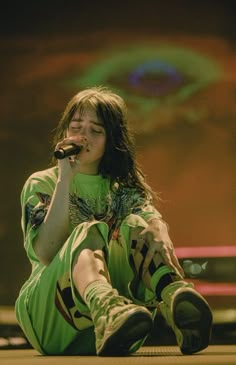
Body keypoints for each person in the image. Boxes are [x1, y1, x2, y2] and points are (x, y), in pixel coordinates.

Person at [15, 86, 212, 356]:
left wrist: (158, 226)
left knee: (140, 226)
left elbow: (151, 229)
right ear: (64, 134)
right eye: (76, 127)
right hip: (51, 316)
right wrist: (65, 179)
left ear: (112, 140)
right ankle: (105, 306)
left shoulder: (123, 190)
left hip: (122, 327)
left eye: (96, 130)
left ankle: (173, 297)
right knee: (89, 230)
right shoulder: (43, 183)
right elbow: (47, 253)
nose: (83, 136)